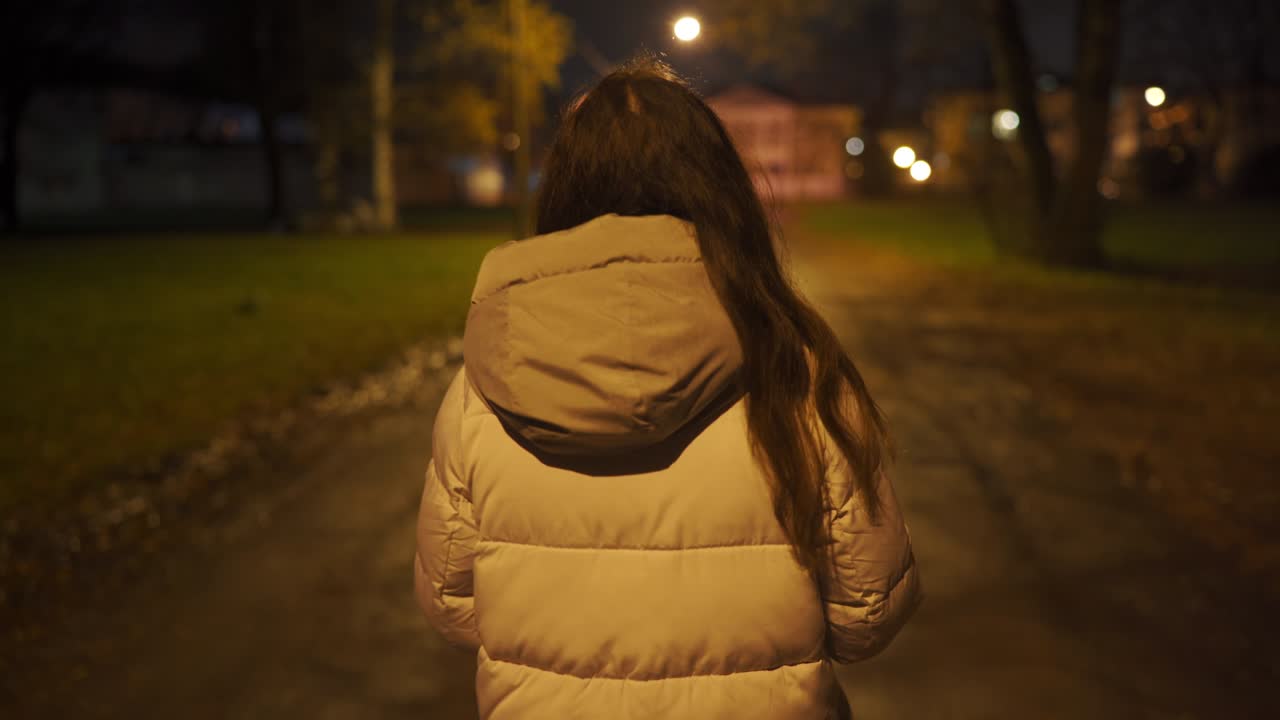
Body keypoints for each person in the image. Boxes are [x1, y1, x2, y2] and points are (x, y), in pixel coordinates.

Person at [414, 56, 921, 720]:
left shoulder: (485, 380)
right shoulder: (791, 363)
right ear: (720, 185)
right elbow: (867, 611)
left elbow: (452, 604)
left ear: (566, 187)